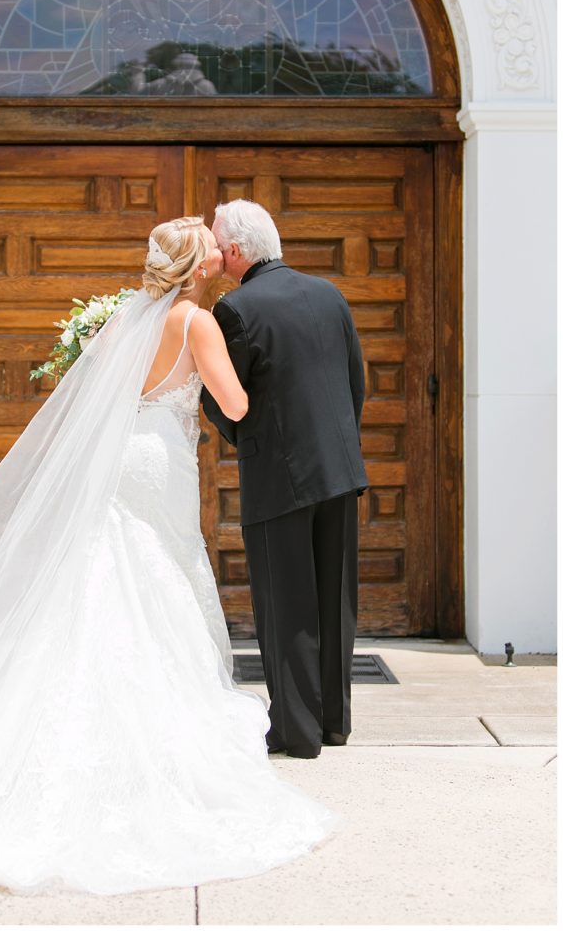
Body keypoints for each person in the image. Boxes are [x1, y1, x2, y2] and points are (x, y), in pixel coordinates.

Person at [0, 216, 341, 923]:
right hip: (161, 461)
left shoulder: (123, 319)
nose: (221, 256)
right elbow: (238, 402)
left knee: (109, 565)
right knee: (164, 567)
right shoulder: (196, 323)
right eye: (211, 251)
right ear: (195, 269)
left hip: (121, 457)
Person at [201, 200, 368, 761]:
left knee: (287, 606)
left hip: (280, 477)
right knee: (334, 601)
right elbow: (355, 384)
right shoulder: (330, 295)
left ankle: (296, 733)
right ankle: (334, 724)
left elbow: (230, 404)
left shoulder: (235, 310)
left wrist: (236, 433)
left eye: (221, 244)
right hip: (341, 472)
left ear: (238, 250)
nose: (218, 254)